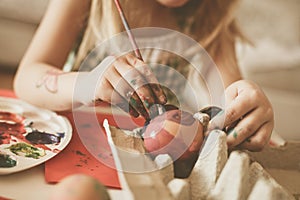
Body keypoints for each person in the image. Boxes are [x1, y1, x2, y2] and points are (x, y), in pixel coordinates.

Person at [13, 0, 274, 151]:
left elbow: (229, 102)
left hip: (148, 159)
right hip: (69, 145)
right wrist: (86, 84)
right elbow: (27, 77)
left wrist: (246, 108)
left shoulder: (208, 14)